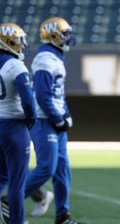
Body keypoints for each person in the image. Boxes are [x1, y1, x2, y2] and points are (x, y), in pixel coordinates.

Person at [22, 17, 82, 224]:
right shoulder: (45, 59)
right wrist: (58, 118)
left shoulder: (55, 57)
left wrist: (65, 114)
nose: (68, 37)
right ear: (53, 35)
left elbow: (57, 94)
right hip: (43, 119)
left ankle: (63, 215)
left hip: (53, 119)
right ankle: (12, 201)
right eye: (65, 33)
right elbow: (42, 95)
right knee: (47, 167)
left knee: (62, 169)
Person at [0, 23, 36, 224]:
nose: (22, 44)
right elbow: (28, 101)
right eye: (18, 40)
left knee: (1, 178)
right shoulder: (15, 65)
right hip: (14, 127)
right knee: (16, 183)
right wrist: (31, 120)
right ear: (6, 41)